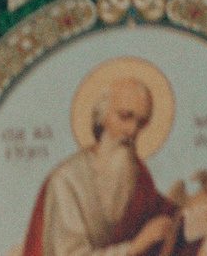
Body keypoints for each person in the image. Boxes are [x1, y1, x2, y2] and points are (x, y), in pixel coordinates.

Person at [23, 79, 177, 256]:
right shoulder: (66, 180)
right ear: (103, 116)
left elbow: (165, 213)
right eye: (125, 116)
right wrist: (134, 248)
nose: (132, 130)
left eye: (141, 123)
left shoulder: (136, 175)